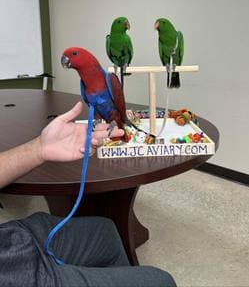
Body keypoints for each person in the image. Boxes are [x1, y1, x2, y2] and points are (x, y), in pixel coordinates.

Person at [0, 102, 176, 287]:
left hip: (10, 240)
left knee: (104, 231)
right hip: (13, 274)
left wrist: (39, 148)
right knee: (159, 281)